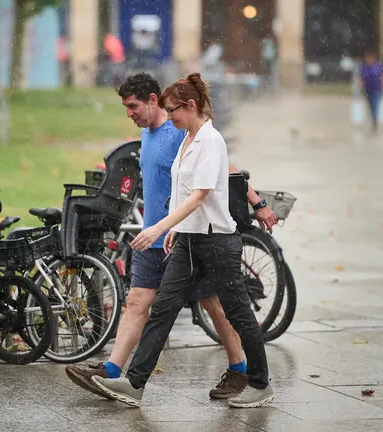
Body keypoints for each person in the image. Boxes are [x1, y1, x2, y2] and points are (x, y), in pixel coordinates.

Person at [65, 73, 277, 404]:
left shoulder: (207, 140)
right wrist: (174, 230)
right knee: (159, 308)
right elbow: (182, 192)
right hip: (185, 239)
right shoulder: (186, 138)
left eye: (173, 110)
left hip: (216, 242)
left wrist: (160, 227)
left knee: (233, 312)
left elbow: (202, 192)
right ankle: (131, 383)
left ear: (188, 106)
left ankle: (257, 381)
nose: (171, 117)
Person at [358, 50, 383, 131]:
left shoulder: (379, 66)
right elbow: (361, 78)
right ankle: (373, 117)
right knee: (370, 105)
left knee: (375, 104)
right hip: (367, 89)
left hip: (377, 89)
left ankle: (375, 120)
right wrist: (360, 88)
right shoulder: (364, 67)